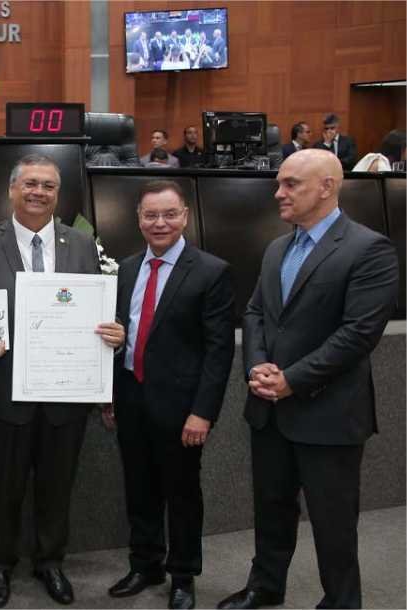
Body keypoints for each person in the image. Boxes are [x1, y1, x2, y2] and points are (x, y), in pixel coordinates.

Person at [217, 149, 399, 610]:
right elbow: (256, 311)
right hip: (270, 407)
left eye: (290, 184)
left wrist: (292, 380)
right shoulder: (278, 246)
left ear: (327, 186)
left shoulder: (369, 249)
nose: (278, 192)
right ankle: (266, 586)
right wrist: (257, 366)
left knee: (333, 520)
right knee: (271, 508)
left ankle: (341, 601)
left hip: (328, 412)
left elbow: (358, 334)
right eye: (279, 183)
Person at [0, 154, 125, 608]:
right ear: (11, 190)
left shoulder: (82, 245)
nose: (38, 193)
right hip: (1, 389)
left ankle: (50, 562)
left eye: (48, 186)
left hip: (64, 392)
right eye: (29, 184)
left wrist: (114, 330)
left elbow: (96, 309)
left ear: (58, 194)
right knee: (0, 486)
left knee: (57, 485)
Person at [104, 180, 234, 610]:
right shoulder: (124, 269)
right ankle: (145, 565)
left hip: (182, 410)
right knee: (138, 489)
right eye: (150, 215)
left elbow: (218, 351)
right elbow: (118, 336)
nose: (159, 223)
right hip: (131, 398)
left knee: (181, 494)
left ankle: (183, 575)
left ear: (185, 216)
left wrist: (203, 413)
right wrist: (107, 395)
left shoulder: (211, 271)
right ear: (138, 219)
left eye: (169, 214)